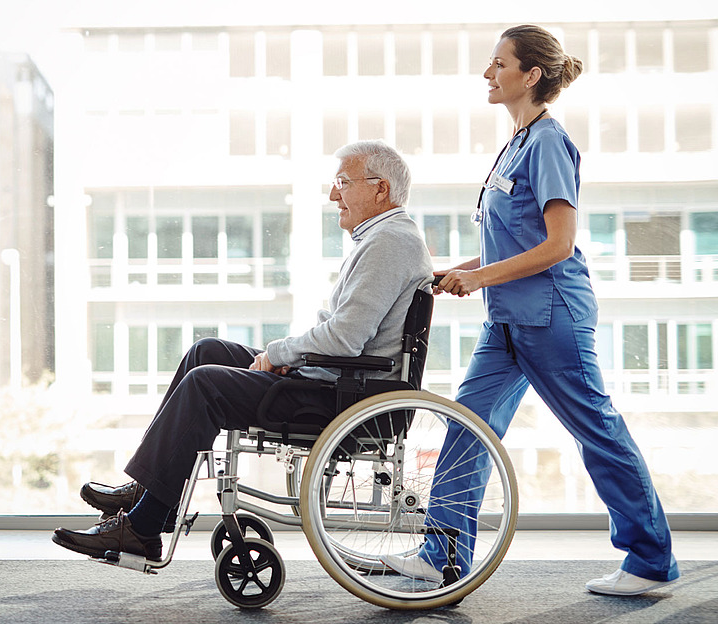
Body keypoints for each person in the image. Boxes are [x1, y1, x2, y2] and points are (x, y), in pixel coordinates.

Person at [380, 25, 680, 596]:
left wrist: (478, 278)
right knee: (468, 426)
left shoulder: (547, 143)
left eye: (498, 63)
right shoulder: (516, 143)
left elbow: (558, 244)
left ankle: (649, 560)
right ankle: (442, 555)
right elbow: (511, 241)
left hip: (551, 317)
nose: (487, 73)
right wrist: (453, 271)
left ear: (531, 74)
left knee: (597, 433)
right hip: (507, 321)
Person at [52, 140, 433, 561]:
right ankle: (147, 491)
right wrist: (289, 357)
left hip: (347, 397)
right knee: (206, 352)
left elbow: (345, 338)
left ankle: (143, 527)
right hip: (335, 379)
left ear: (380, 189)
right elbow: (346, 336)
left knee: (206, 385)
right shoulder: (384, 237)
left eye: (342, 182)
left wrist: (280, 355)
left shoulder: (389, 242)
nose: (332, 195)